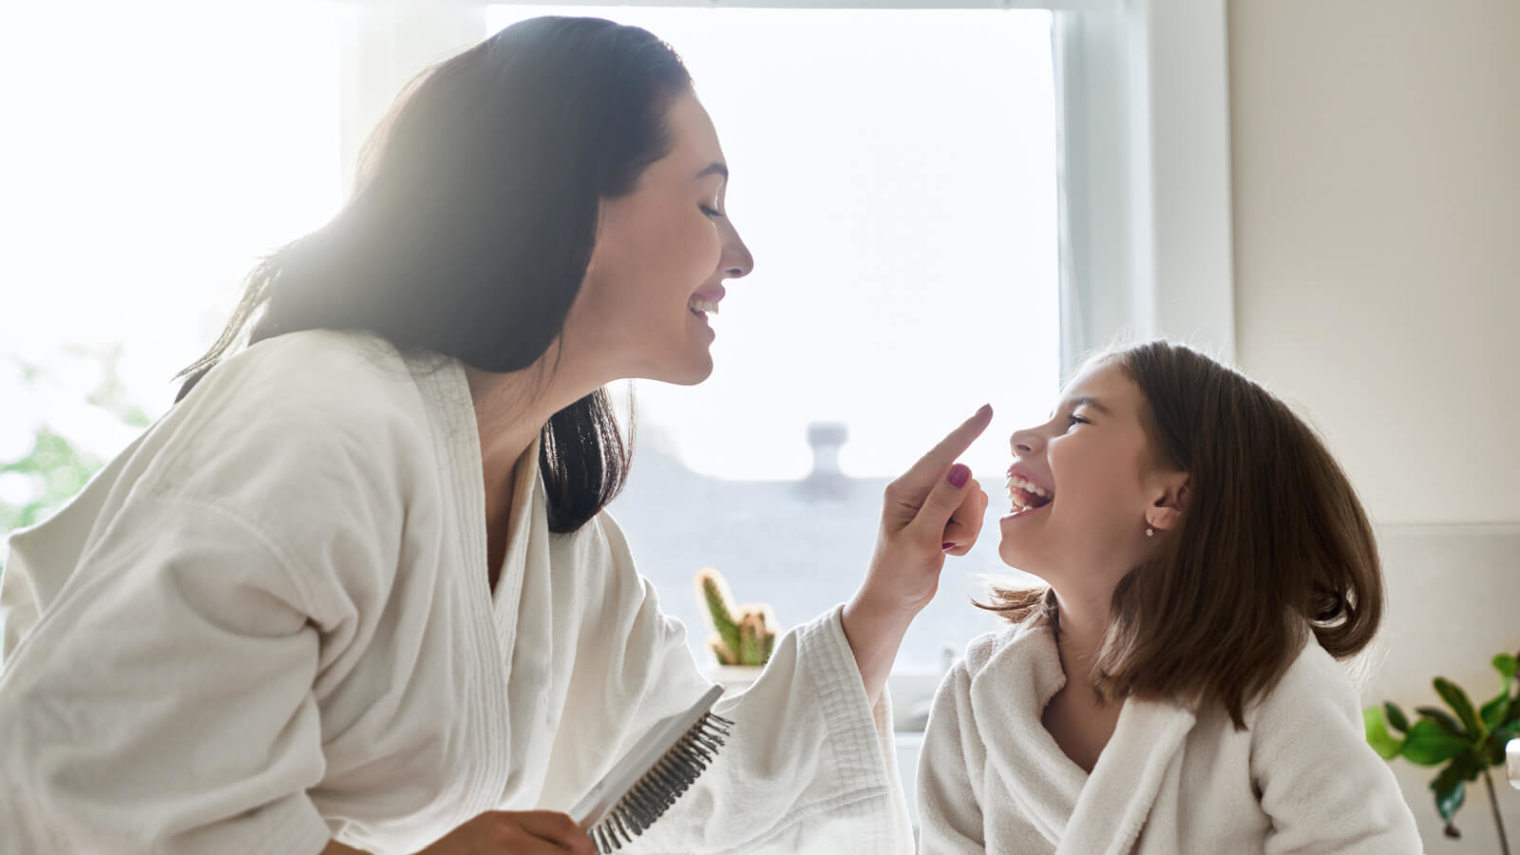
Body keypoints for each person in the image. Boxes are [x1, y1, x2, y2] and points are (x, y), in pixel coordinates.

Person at [0, 17, 993, 855]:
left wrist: (887, 598)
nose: (740, 256)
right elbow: (87, 794)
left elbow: (685, 785)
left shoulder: (558, 541)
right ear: (567, 210)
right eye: (706, 203)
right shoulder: (315, 423)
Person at [916, 340, 1424, 854]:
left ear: (1168, 498)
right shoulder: (976, 695)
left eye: (1077, 422)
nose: (1021, 438)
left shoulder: (1269, 679)